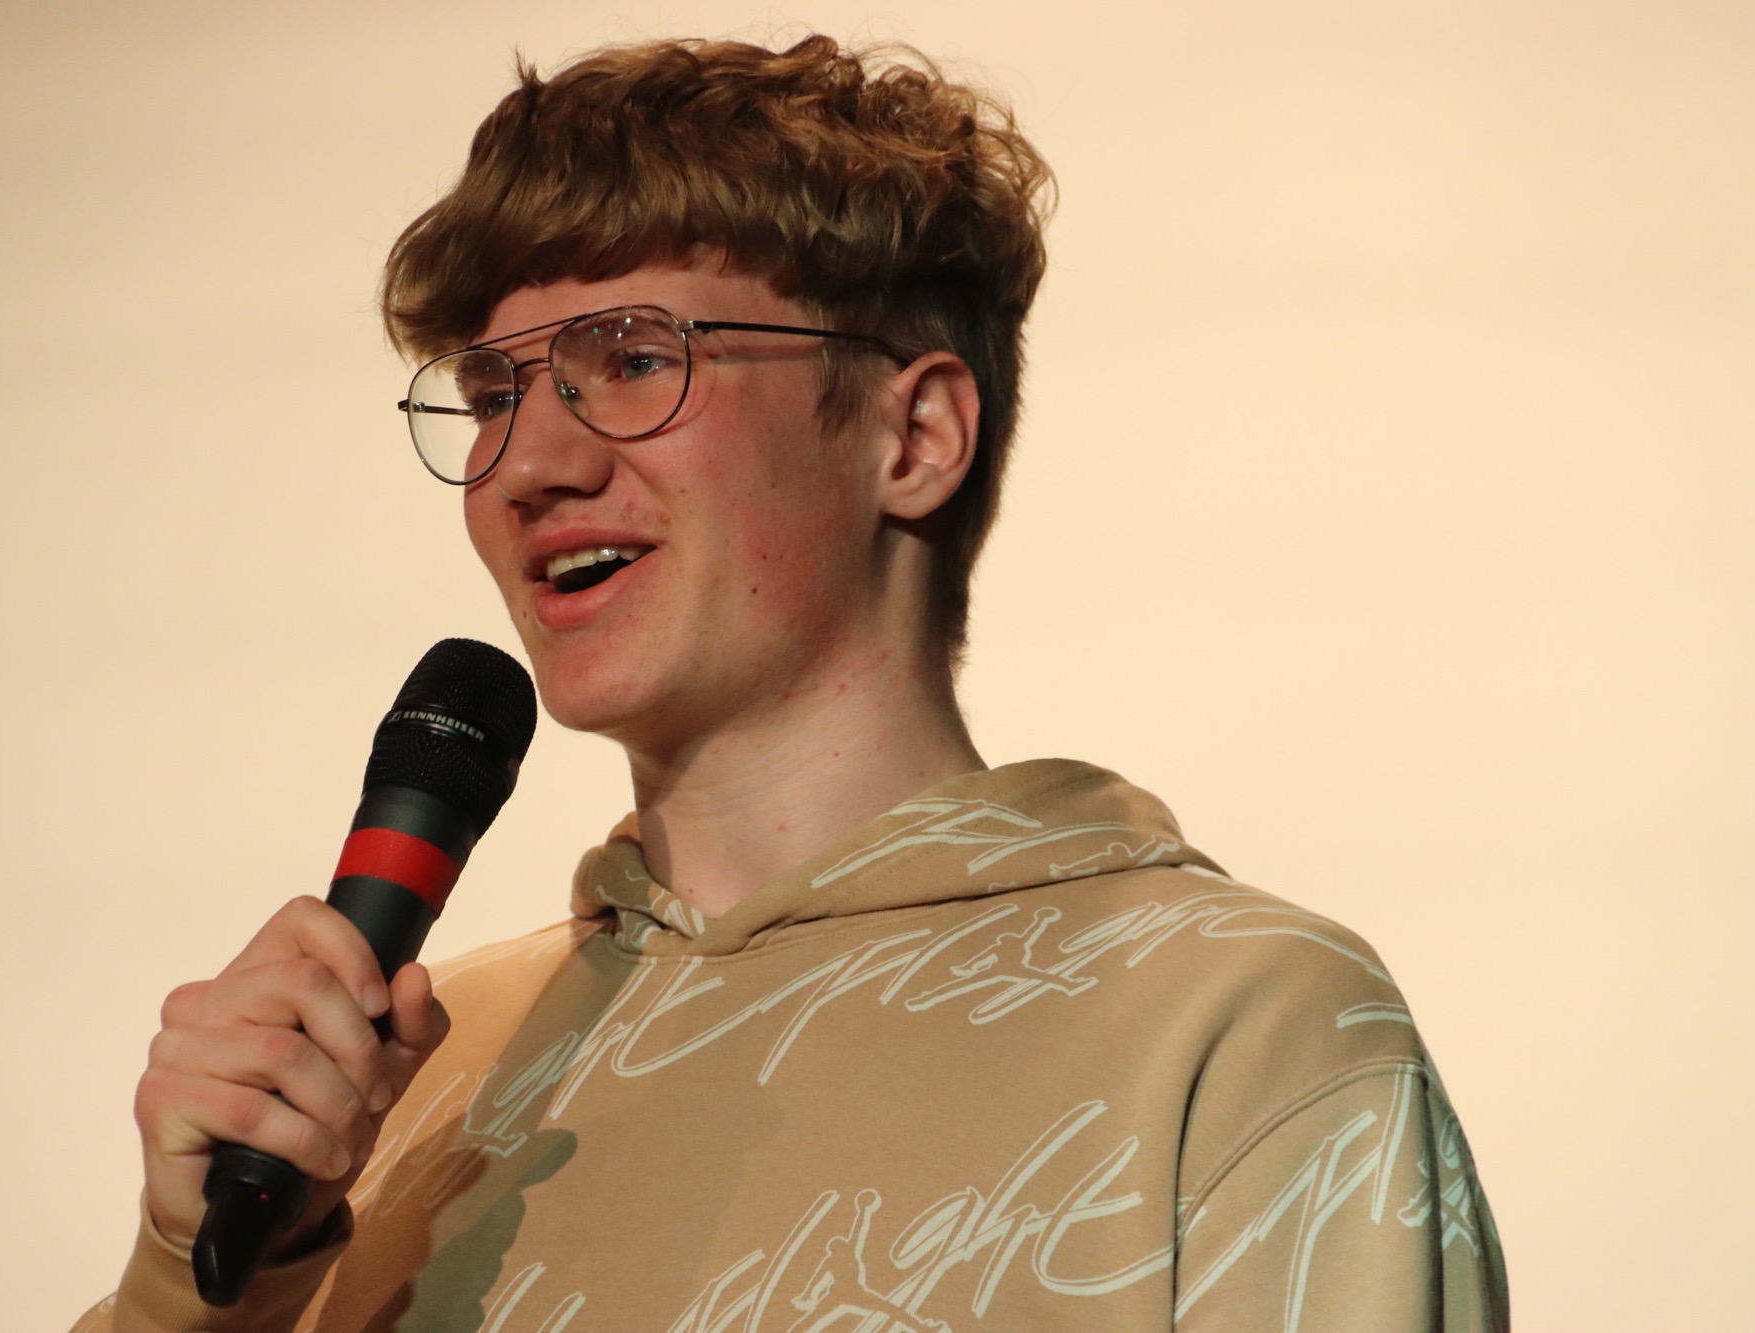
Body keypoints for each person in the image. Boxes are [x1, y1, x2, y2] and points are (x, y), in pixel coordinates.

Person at [76, 34, 1508, 1332]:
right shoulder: (384, 1092)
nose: (528, 465)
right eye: (494, 393)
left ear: (914, 436)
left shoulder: (1237, 1031)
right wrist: (193, 1278)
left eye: (633, 360)